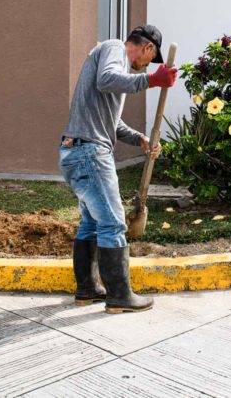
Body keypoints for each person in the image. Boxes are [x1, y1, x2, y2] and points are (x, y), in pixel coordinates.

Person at [58, 25, 177, 313]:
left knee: (92, 223)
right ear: (147, 48)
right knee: (113, 224)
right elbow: (107, 79)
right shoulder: (114, 49)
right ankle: (120, 297)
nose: (145, 66)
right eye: (150, 60)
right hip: (90, 152)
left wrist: (140, 138)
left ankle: (87, 290)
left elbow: (112, 123)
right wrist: (151, 80)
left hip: (77, 150)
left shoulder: (113, 64)